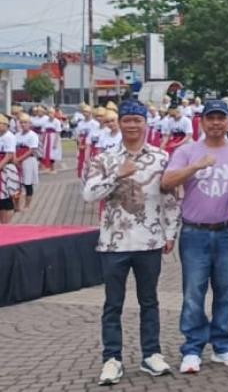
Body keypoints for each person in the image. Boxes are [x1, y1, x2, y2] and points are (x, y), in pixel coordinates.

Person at [82, 100, 179, 386]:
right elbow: (88, 194)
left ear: (146, 123)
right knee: (113, 303)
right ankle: (112, 358)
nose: (133, 125)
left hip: (149, 241)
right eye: (127, 120)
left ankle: (151, 354)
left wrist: (170, 233)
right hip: (114, 243)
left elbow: (170, 199)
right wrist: (116, 175)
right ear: (119, 123)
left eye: (138, 120)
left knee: (149, 301)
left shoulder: (161, 158)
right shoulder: (105, 157)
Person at [161, 100, 228, 374]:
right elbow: (166, 182)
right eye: (210, 118)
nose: (215, 123)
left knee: (226, 290)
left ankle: (223, 345)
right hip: (194, 231)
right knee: (193, 292)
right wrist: (195, 167)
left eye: (221, 118)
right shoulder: (187, 151)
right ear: (201, 122)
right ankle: (193, 348)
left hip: (227, 231)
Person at [14, 114, 40, 212]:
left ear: (30, 124)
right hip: (17, 162)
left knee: (27, 184)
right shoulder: (16, 135)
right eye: (21, 122)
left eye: (25, 122)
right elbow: (13, 148)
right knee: (16, 184)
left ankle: (27, 205)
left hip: (28, 161)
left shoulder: (33, 135)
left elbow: (31, 150)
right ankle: (17, 205)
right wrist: (15, 159)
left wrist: (20, 159)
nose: (23, 124)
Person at [0, 115, 21, 224]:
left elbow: (8, 155)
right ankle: (2, 223)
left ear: (5, 125)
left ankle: (6, 224)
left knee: (8, 196)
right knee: (2, 198)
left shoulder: (9, 137)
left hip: (6, 168)